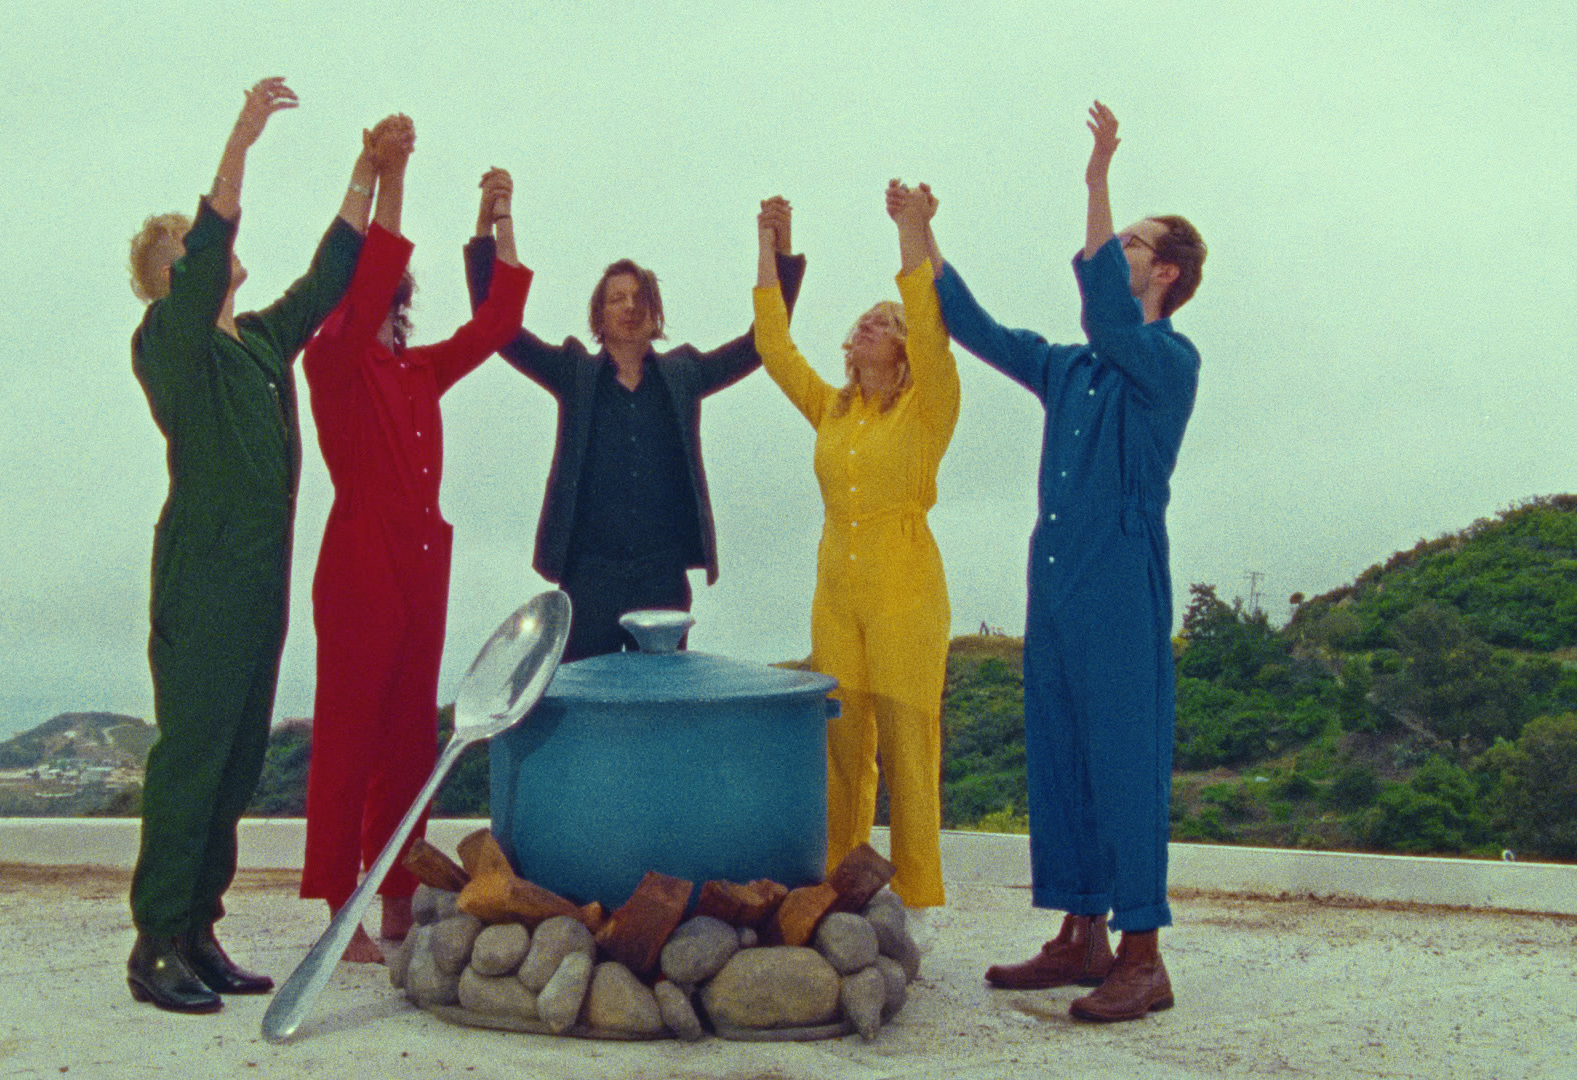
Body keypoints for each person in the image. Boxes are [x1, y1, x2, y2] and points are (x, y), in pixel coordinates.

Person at [929, 102, 1207, 1022]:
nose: (1116, 250)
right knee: (1060, 752)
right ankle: (1081, 934)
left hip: (1121, 574)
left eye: (1132, 244)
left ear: (1164, 272)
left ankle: (1143, 955)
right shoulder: (1070, 369)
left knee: (1125, 757)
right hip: (1053, 577)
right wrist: (918, 235)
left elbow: (1110, 318)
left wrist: (1096, 181)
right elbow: (975, 326)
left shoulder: (1167, 360)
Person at [124, 77, 372, 1013]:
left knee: (234, 763)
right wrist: (241, 136)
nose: (210, 254)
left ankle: (198, 932)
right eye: (188, 252)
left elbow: (325, 280)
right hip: (203, 579)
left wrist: (365, 171)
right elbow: (209, 244)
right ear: (169, 277)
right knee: (193, 756)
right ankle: (155, 943)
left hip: (260, 583)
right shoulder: (169, 343)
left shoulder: (261, 342)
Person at [297, 119, 532, 963]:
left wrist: (497, 220)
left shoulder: (418, 368)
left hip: (423, 558)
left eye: (395, 297)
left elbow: (498, 323)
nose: (387, 304)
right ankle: (340, 908)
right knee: (349, 736)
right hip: (360, 553)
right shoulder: (330, 360)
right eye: (377, 292)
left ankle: (397, 896)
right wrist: (387, 175)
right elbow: (372, 270)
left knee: (407, 740)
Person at [463, 187, 805, 660]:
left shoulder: (683, 374)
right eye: (617, 299)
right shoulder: (575, 373)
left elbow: (760, 344)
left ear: (654, 312)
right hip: (588, 578)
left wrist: (778, 249)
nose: (629, 306)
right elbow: (500, 332)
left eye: (639, 297)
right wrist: (492, 227)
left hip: (662, 577)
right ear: (599, 316)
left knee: (662, 698)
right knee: (587, 697)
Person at [751, 187, 959, 910]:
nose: (870, 324)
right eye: (864, 319)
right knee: (842, 751)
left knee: (909, 750)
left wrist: (910, 230)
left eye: (886, 321)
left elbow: (933, 328)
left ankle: (920, 897)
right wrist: (770, 248)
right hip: (836, 595)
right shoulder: (833, 411)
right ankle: (841, 889)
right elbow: (774, 348)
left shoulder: (929, 407)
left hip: (906, 595)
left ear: (904, 347)